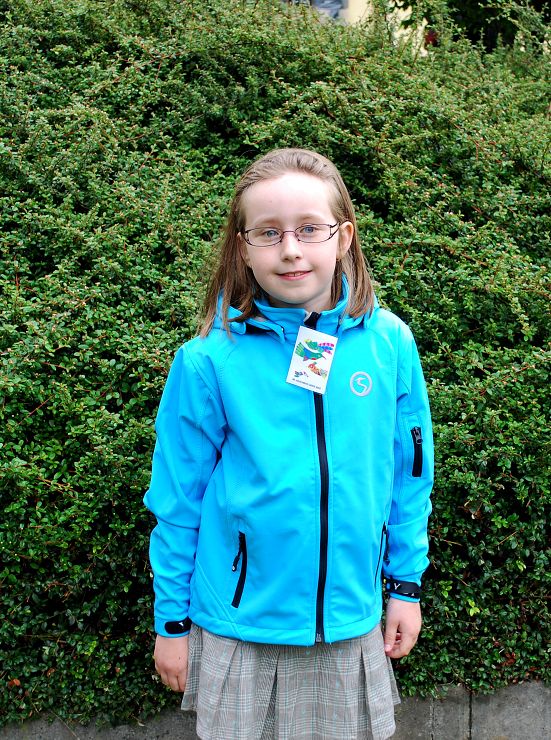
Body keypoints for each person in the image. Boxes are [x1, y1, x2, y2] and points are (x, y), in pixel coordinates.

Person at [144, 148, 434, 740]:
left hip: (350, 623)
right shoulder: (208, 361)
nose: (291, 249)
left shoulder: (391, 344)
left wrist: (404, 586)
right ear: (243, 247)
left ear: (343, 237)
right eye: (269, 232)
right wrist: (171, 622)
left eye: (309, 229)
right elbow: (178, 501)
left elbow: (409, 476)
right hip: (240, 628)